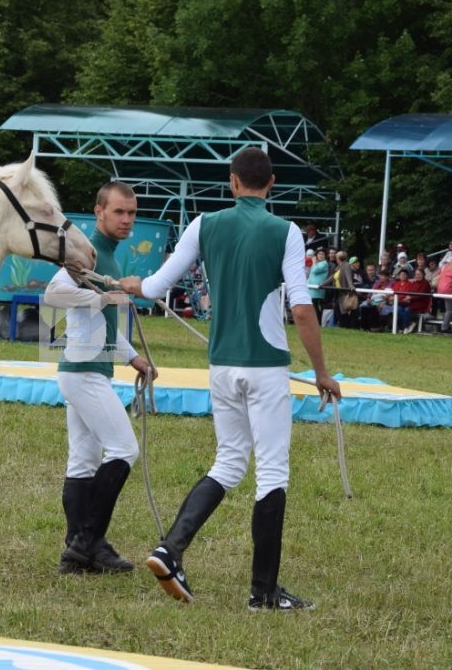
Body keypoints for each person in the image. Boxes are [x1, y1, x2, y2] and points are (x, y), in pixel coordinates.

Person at [119, 147, 341, 611]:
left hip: (221, 365)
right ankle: (263, 593)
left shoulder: (204, 224)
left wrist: (130, 285)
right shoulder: (286, 231)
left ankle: (171, 549)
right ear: (272, 182)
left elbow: (157, 287)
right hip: (266, 366)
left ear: (233, 181)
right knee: (272, 472)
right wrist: (321, 372)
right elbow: (301, 308)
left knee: (229, 461)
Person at [43, 181, 155, 576]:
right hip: (83, 373)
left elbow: (104, 322)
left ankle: (83, 550)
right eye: (119, 212)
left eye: (132, 213)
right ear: (99, 212)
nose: (127, 220)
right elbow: (53, 295)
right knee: (124, 449)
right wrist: (101, 296)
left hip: (89, 370)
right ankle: (86, 542)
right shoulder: (87, 253)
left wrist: (133, 358)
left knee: (84, 462)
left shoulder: (108, 256)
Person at [306, 248, 329, 322]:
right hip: (312, 289)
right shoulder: (317, 263)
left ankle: (317, 322)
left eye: (323, 254)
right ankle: (314, 322)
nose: (321, 255)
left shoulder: (324, 263)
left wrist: (313, 262)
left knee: (315, 306)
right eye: (319, 254)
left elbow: (315, 270)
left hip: (317, 290)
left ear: (325, 256)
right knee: (313, 306)